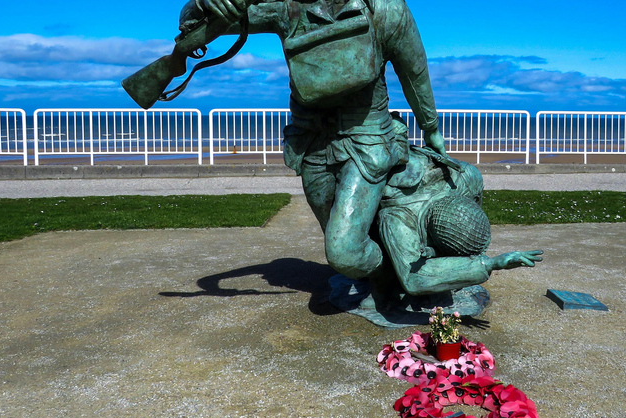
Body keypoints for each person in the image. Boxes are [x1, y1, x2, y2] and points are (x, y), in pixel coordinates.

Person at [186, 0, 446, 281]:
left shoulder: (386, 9)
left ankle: (402, 277)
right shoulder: (287, 7)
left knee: (343, 252)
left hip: (367, 139)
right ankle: (382, 281)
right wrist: (201, 4)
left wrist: (430, 128)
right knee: (341, 238)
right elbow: (204, 23)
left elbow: (413, 73)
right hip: (311, 141)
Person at [374, 117, 543, 299]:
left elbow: (413, 279)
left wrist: (486, 262)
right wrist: (490, 263)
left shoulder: (465, 177)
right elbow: (414, 279)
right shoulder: (464, 178)